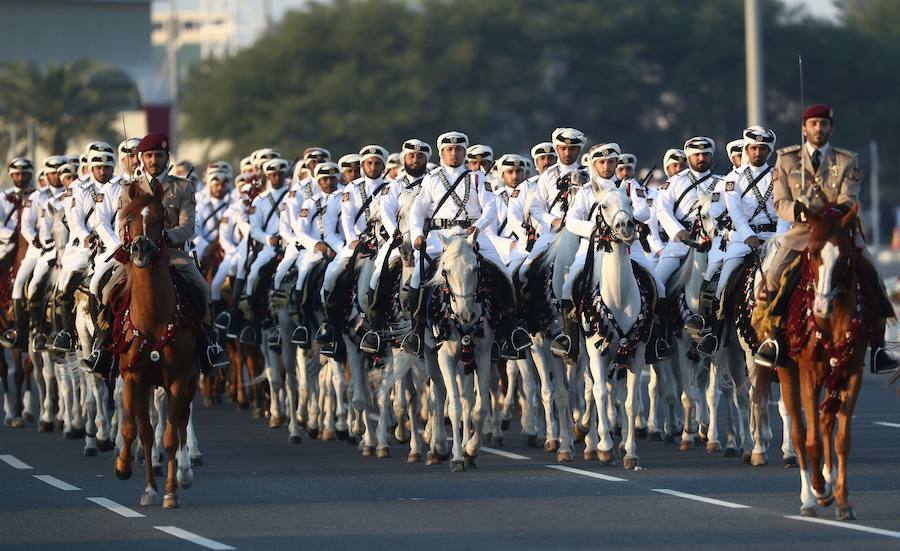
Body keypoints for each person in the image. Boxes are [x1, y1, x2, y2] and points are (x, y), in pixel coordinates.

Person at [755, 104, 898, 372]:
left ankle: (878, 348)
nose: (818, 128)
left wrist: (826, 214)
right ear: (804, 129)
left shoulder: (846, 160)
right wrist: (799, 210)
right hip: (800, 233)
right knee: (772, 276)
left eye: (823, 124)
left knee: (873, 276)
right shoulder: (786, 160)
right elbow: (780, 202)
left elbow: (848, 198)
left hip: (837, 232)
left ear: (830, 128)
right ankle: (772, 340)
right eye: (813, 124)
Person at [86, 132, 226, 378]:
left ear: (166, 157)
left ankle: (208, 345)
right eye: (149, 155)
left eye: (158, 155)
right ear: (141, 158)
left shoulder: (182, 186)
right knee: (108, 291)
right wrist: (132, 242)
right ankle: (103, 347)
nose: (153, 160)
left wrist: (165, 238)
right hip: (136, 255)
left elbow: (188, 226)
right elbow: (121, 225)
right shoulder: (129, 189)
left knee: (202, 288)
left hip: (171, 253)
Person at [402, 131, 531, 359]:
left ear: (465, 152)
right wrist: (416, 236)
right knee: (417, 276)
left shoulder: (478, 178)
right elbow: (418, 211)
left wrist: (478, 226)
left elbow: (490, 207)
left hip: (473, 234)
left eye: (459, 149)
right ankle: (417, 332)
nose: (454, 153)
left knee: (503, 271)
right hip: (441, 236)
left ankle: (511, 331)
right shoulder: (432, 179)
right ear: (442, 153)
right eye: (449, 149)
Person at [687, 127, 783, 355]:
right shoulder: (734, 178)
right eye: (754, 148)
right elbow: (735, 211)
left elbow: (783, 210)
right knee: (722, 282)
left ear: (769, 151)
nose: (758, 152)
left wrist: (780, 237)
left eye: (763, 148)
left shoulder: (779, 175)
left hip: (774, 237)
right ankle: (712, 331)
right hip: (743, 238)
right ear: (747, 149)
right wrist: (748, 234)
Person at [551, 143, 621, 358]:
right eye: (602, 162)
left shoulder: (627, 186)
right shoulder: (586, 191)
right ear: (594, 164)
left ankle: (657, 338)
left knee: (658, 283)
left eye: (611, 161)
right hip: (591, 247)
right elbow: (571, 219)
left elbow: (645, 211)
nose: (607, 166)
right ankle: (569, 338)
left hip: (624, 247)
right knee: (568, 286)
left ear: (617, 163)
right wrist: (592, 229)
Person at [51, 150, 117, 352]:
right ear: (90, 167)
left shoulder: (120, 186)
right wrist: (85, 236)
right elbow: (74, 219)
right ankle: (66, 332)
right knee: (66, 281)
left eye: (107, 167)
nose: (103, 171)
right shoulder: (79, 188)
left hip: (113, 246)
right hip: (85, 247)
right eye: (98, 167)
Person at [290, 162, 344, 346]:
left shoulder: (345, 196)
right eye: (324, 179)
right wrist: (317, 245)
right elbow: (301, 231)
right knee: (303, 272)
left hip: (342, 248)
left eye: (332, 178)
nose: (329, 182)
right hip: (315, 251)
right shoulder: (310, 203)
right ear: (318, 182)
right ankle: (304, 323)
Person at [0, 158, 39, 349]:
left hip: (32, 242)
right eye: (17, 174)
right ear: (11, 176)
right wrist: (11, 235)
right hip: (8, 242)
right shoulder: (3, 197)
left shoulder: (38, 195)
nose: (21, 177)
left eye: (25, 174)